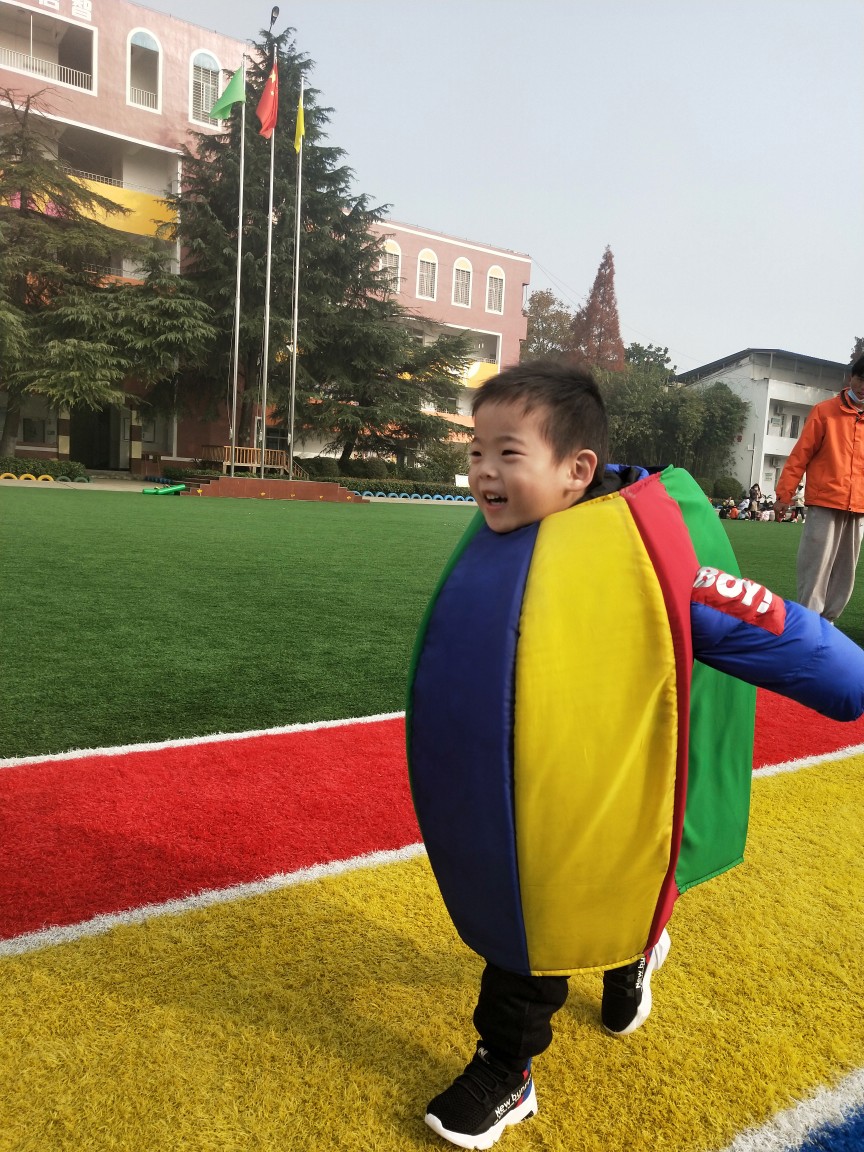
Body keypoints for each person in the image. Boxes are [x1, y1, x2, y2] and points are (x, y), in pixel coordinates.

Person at [406, 359, 864, 1150]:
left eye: (508, 453)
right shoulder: (498, 545)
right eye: (477, 451)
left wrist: (852, 681)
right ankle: (508, 1064)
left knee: (592, 905)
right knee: (527, 936)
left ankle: (619, 968)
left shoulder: (647, 560)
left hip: (616, 796)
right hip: (529, 796)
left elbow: (772, 627)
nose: (483, 471)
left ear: (576, 469)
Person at [774, 353, 864, 621]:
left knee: (845, 571)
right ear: (851, 378)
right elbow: (799, 456)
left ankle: (828, 624)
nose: (863, 387)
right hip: (825, 501)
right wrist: (784, 495)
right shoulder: (825, 412)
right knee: (816, 566)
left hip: (858, 506)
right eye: (861, 379)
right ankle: (808, 622)